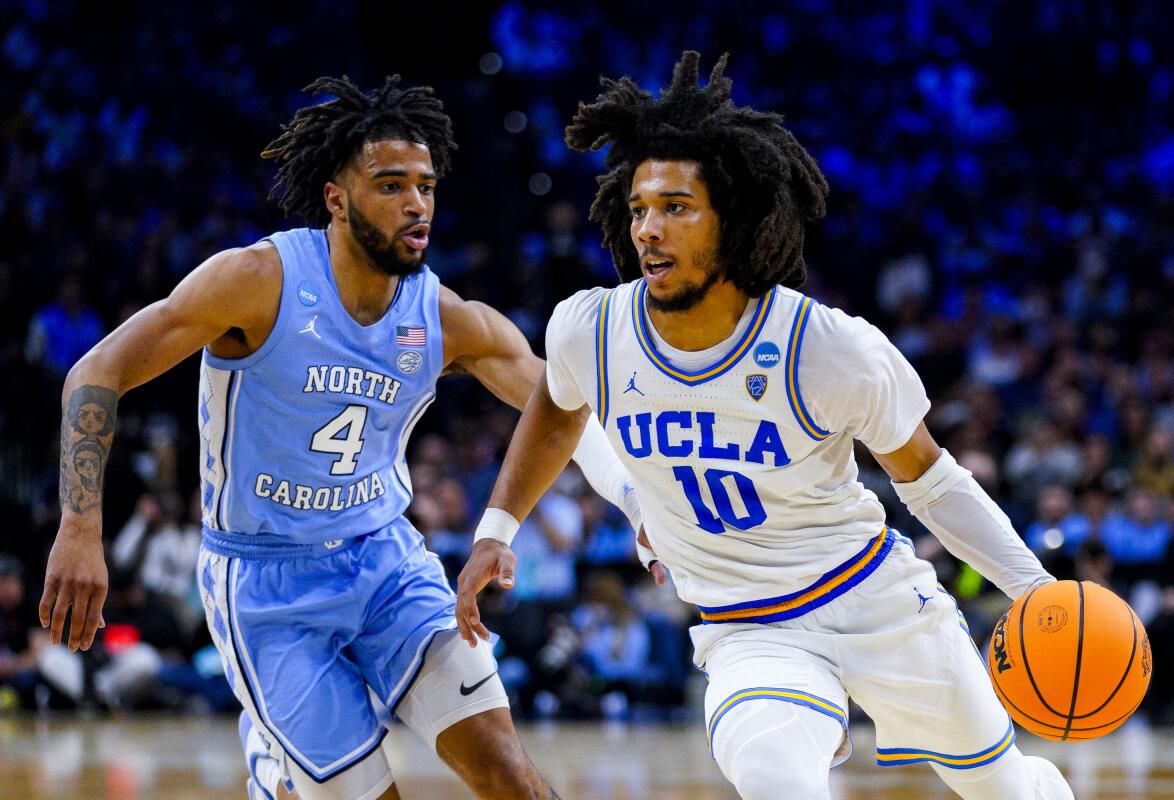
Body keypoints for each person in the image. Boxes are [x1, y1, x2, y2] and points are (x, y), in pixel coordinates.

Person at [456, 53, 1074, 800]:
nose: (649, 229)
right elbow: (558, 408)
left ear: (734, 216)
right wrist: (498, 525)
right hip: (750, 633)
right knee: (774, 777)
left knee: (1005, 790)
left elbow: (933, 481)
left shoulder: (828, 351)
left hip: (875, 603)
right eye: (639, 209)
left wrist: (1036, 588)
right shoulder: (590, 329)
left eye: (676, 207)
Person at [40, 75, 646, 800]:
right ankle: (276, 762)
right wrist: (80, 526)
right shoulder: (256, 282)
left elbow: (566, 403)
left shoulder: (444, 316)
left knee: (512, 777)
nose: (416, 203)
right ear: (336, 198)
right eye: (391, 186)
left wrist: (641, 504)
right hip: (266, 585)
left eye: (424, 185)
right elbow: (95, 371)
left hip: (386, 562)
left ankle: (287, 760)